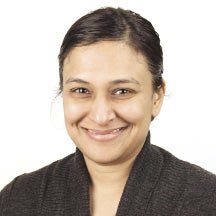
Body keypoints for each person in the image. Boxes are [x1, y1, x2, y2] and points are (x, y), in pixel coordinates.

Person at [0, 7, 216, 216]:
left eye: (122, 91)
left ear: (156, 97)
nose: (101, 116)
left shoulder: (207, 199)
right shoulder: (17, 198)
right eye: (81, 90)